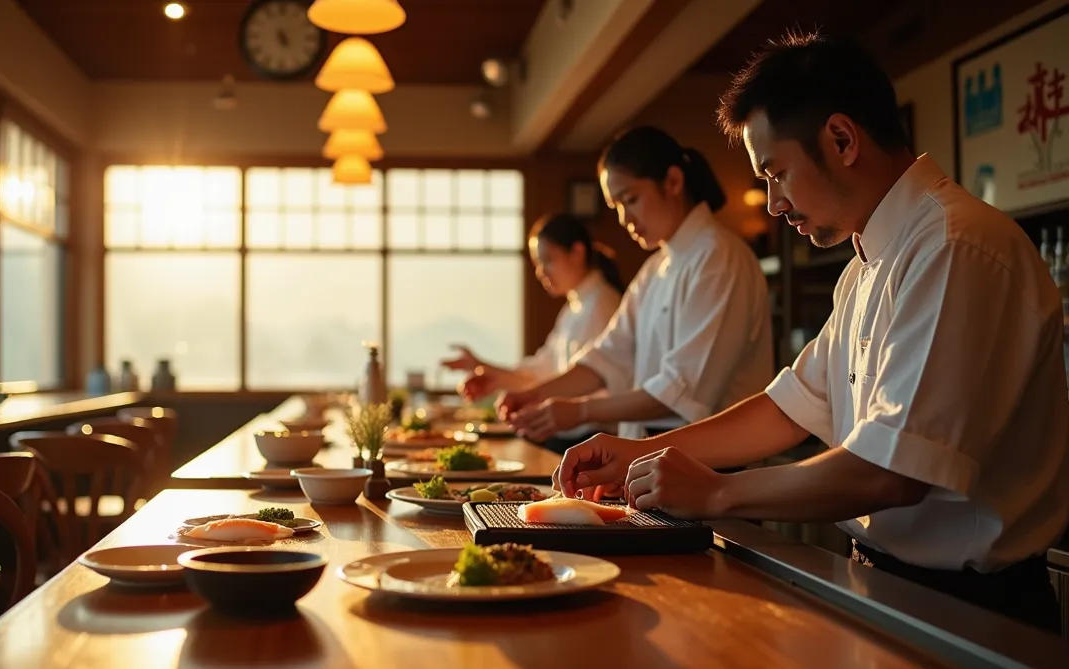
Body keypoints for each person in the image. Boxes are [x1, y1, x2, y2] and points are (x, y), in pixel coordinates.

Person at [553, 32, 1069, 633]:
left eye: (776, 173)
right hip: (886, 581)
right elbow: (788, 408)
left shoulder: (956, 246)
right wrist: (638, 453)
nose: (772, 204)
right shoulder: (865, 266)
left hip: (971, 606)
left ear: (842, 140)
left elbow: (891, 471)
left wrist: (719, 494)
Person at [496, 126, 773, 450]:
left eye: (631, 199)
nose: (625, 218)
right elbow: (608, 356)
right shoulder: (655, 267)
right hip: (652, 454)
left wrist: (580, 410)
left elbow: (680, 391)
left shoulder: (719, 258)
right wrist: (535, 394)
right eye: (617, 207)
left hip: (714, 463)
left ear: (672, 182)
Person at [443, 213, 623, 452]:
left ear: (577, 253)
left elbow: (587, 379)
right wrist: (487, 370)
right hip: (570, 435)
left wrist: (516, 389)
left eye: (547, 260)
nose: (541, 272)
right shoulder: (576, 306)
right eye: (537, 264)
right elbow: (542, 369)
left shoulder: (600, 305)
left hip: (589, 439)